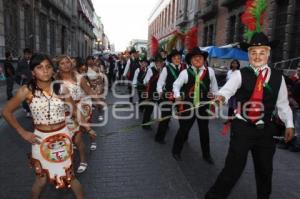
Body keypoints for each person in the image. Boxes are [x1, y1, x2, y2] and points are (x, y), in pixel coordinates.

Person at [205, 32, 295, 199]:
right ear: (249, 54)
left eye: (262, 52)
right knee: (233, 169)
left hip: (266, 130)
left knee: (265, 171)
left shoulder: (278, 77)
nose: (257, 56)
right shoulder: (240, 74)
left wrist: (289, 124)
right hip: (242, 128)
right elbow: (227, 90)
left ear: (268, 54)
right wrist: (218, 99)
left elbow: (282, 104)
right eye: (253, 52)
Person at [1, 54, 84, 198]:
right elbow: (6, 111)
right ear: (33, 72)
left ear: (53, 70)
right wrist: (23, 132)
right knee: (41, 180)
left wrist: (81, 124)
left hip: (63, 138)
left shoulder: (61, 88)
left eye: (48, 67)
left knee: (71, 177)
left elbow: (74, 110)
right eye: (40, 67)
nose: (45, 71)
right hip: (40, 140)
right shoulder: (26, 91)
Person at [172, 47, 218, 163]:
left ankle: (206, 155)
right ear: (191, 60)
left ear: (203, 59)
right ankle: (176, 151)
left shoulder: (210, 71)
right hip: (189, 106)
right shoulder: (185, 72)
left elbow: (215, 88)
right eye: (195, 57)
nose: (198, 59)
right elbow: (176, 86)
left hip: (203, 106)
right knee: (184, 130)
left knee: (204, 131)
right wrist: (177, 97)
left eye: (200, 57)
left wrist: (215, 98)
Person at [55, 55, 100, 174]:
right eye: (62, 63)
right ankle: (68, 161)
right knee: (68, 139)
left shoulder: (79, 78)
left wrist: (99, 102)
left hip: (79, 108)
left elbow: (89, 91)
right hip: (63, 113)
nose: (66, 65)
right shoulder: (54, 80)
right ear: (58, 66)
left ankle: (83, 160)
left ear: (71, 64)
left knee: (78, 138)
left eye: (67, 62)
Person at [155, 49, 184, 144]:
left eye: (179, 58)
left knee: (183, 117)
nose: (177, 59)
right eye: (175, 58)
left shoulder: (184, 68)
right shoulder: (166, 68)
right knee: (165, 118)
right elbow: (160, 82)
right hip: (168, 96)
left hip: (180, 97)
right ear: (171, 59)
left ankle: (184, 135)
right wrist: (159, 91)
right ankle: (159, 137)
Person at [142, 54, 164, 129]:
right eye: (157, 62)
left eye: (160, 62)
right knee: (149, 109)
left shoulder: (164, 69)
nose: (159, 63)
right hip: (152, 92)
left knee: (164, 108)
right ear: (155, 63)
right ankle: (145, 124)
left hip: (160, 92)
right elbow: (145, 81)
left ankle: (164, 123)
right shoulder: (151, 70)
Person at [16, 48, 33, 117]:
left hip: (33, 82)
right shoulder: (21, 62)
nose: (28, 56)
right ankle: (28, 110)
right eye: (26, 54)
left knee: (32, 97)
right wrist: (21, 75)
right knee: (25, 97)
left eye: (29, 54)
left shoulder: (34, 62)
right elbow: (17, 72)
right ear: (24, 54)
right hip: (25, 83)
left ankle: (32, 110)